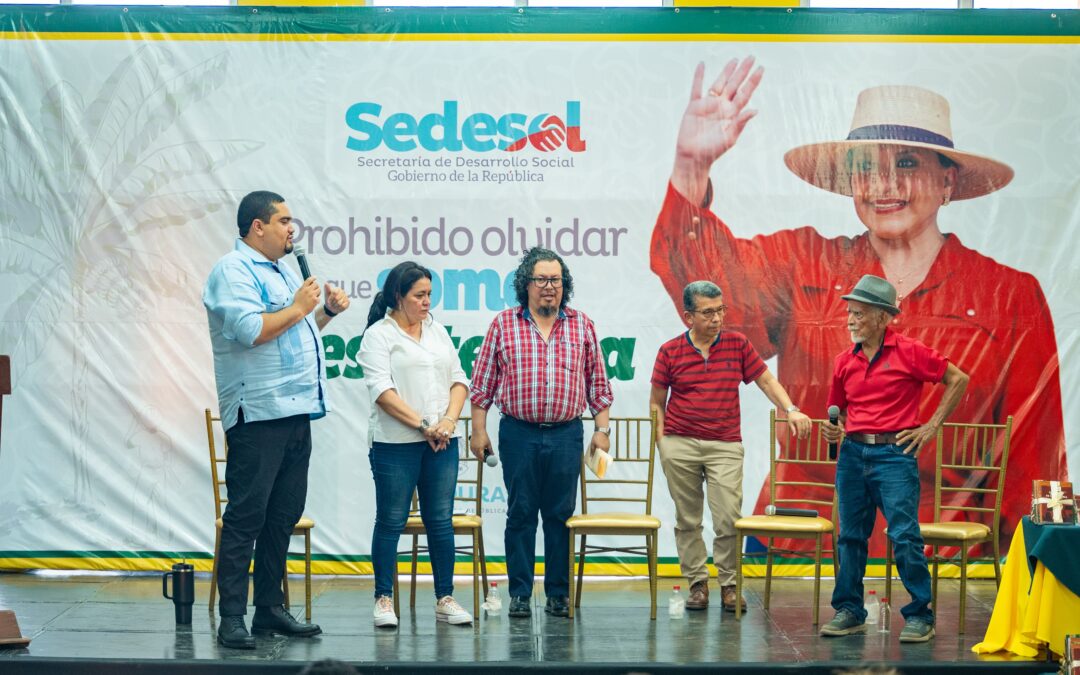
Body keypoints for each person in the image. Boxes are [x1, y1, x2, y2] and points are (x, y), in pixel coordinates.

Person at [650, 57, 1064, 556]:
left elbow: (1031, 457)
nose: (883, 184)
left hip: (937, 551)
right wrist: (692, 167)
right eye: (866, 166)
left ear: (947, 181)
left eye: (907, 163)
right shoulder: (801, 262)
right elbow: (713, 292)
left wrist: (1028, 566)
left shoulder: (1008, 295)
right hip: (797, 540)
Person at [203, 190, 350, 648]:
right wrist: (301, 307)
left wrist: (321, 313)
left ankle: (268, 608)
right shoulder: (233, 271)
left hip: (295, 411)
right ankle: (232, 616)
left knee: (281, 517)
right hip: (259, 414)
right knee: (247, 516)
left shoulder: (280, 271)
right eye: (284, 221)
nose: (292, 229)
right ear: (257, 227)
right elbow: (251, 331)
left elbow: (291, 332)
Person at [819, 274, 969, 643]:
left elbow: (959, 379)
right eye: (850, 313)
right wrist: (833, 430)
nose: (851, 320)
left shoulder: (910, 351)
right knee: (850, 536)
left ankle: (921, 614)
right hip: (852, 453)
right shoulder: (844, 361)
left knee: (904, 535)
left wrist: (930, 426)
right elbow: (836, 410)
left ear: (884, 318)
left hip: (894, 455)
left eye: (859, 314)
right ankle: (849, 610)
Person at [469, 247, 614, 619]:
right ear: (526, 284)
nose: (550, 287)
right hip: (519, 434)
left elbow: (598, 385)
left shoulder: (582, 325)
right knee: (520, 514)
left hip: (567, 435)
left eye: (556, 280)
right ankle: (519, 592)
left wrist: (602, 430)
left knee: (560, 515)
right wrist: (479, 431)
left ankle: (558, 594)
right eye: (542, 280)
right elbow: (482, 386)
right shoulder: (503, 324)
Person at [650, 280, 811, 613]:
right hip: (680, 445)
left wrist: (791, 409)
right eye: (708, 313)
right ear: (687, 317)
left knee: (727, 519)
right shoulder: (669, 351)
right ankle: (696, 582)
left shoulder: (738, 345)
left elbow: (766, 380)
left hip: (724, 445)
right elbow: (656, 402)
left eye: (721, 310)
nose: (717, 319)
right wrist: (663, 444)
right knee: (688, 520)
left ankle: (729, 585)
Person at [357, 262, 472, 629]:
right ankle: (383, 598)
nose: (426, 303)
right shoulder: (379, 335)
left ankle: (445, 598)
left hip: (442, 442)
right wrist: (424, 426)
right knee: (391, 520)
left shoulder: (436, 331)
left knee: (440, 521)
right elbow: (382, 393)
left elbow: (459, 380)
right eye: (419, 296)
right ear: (398, 296)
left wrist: (448, 422)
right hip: (396, 444)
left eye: (429, 295)